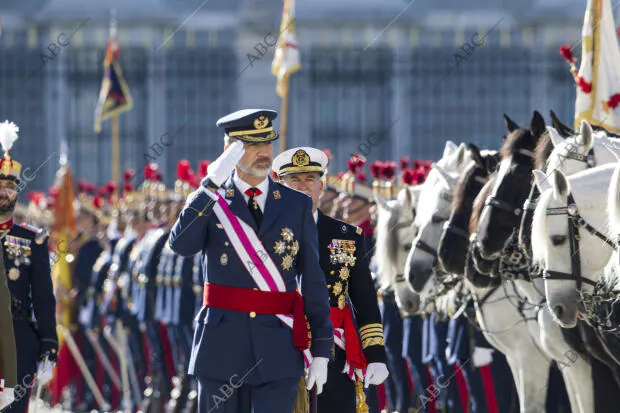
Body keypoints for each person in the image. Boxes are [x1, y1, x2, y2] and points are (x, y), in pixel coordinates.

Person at [169, 109, 333, 413]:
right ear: (229, 151)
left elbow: (312, 279)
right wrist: (208, 187)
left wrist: (322, 347)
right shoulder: (212, 201)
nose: (263, 153)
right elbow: (180, 245)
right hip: (222, 349)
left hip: (279, 348)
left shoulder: (295, 204)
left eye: (267, 143)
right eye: (252, 145)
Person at [272, 146, 389, 413]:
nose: (302, 186)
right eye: (294, 180)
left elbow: (364, 300)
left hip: (335, 351)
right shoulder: (265, 233)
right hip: (279, 346)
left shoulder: (347, 236)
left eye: (309, 179)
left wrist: (375, 355)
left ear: (321, 186)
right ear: (280, 187)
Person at [0, 121, 57, 413]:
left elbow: (44, 297)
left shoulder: (32, 240)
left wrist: (49, 344)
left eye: (10, 187)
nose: (4, 192)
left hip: (20, 337)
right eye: (0, 186)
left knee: (14, 408)